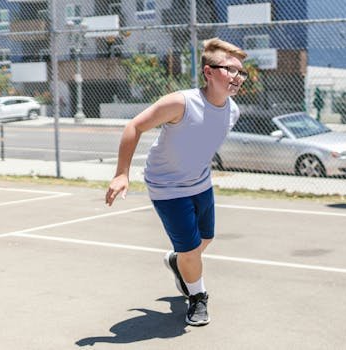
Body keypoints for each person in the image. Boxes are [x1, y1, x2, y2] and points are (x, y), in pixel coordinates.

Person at [104, 38, 248, 326]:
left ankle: (177, 260)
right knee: (191, 251)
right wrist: (122, 173)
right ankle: (198, 297)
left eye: (241, 72)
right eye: (230, 69)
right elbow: (134, 126)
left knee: (205, 239)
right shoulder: (180, 102)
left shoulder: (232, 111)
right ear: (209, 72)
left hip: (201, 183)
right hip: (167, 187)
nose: (237, 77)